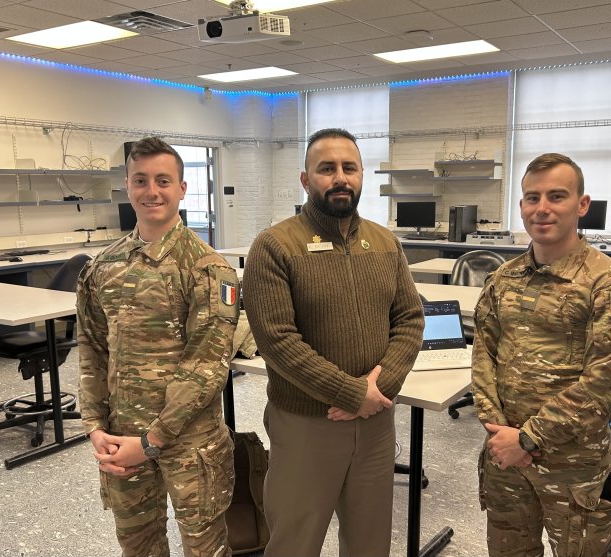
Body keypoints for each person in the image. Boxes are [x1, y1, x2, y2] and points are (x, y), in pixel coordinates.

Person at [242, 128, 424, 557]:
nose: (339, 177)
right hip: (307, 423)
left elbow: (410, 319)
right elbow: (277, 340)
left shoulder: (384, 244)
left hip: (376, 422)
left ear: (361, 175)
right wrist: (349, 392)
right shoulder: (274, 246)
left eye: (349, 167)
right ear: (306, 180)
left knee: (369, 542)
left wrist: (378, 389)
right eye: (327, 169)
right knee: (294, 542)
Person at [471, 153, 611, 557]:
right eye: (532, 198)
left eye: (557, 196)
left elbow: (606, 384)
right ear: (521, 207)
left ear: (581, 205)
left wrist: (529, 439)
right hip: (504, 457)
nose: (542, 208)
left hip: (573, 467)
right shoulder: (504, 278)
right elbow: (484, 356)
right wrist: (499, 431)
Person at [77, 137, 240, 557]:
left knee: (205, 548)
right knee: (139, 546)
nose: (152, 191)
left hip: (189, 445)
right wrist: (94, 426)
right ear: (128, 187)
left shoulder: (208, 269)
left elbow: (206, 368)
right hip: (120, 438)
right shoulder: (102, 268)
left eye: (163, 180)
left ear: (182, 189)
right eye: (141, 180)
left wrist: (152, 441)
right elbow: (93, 351)